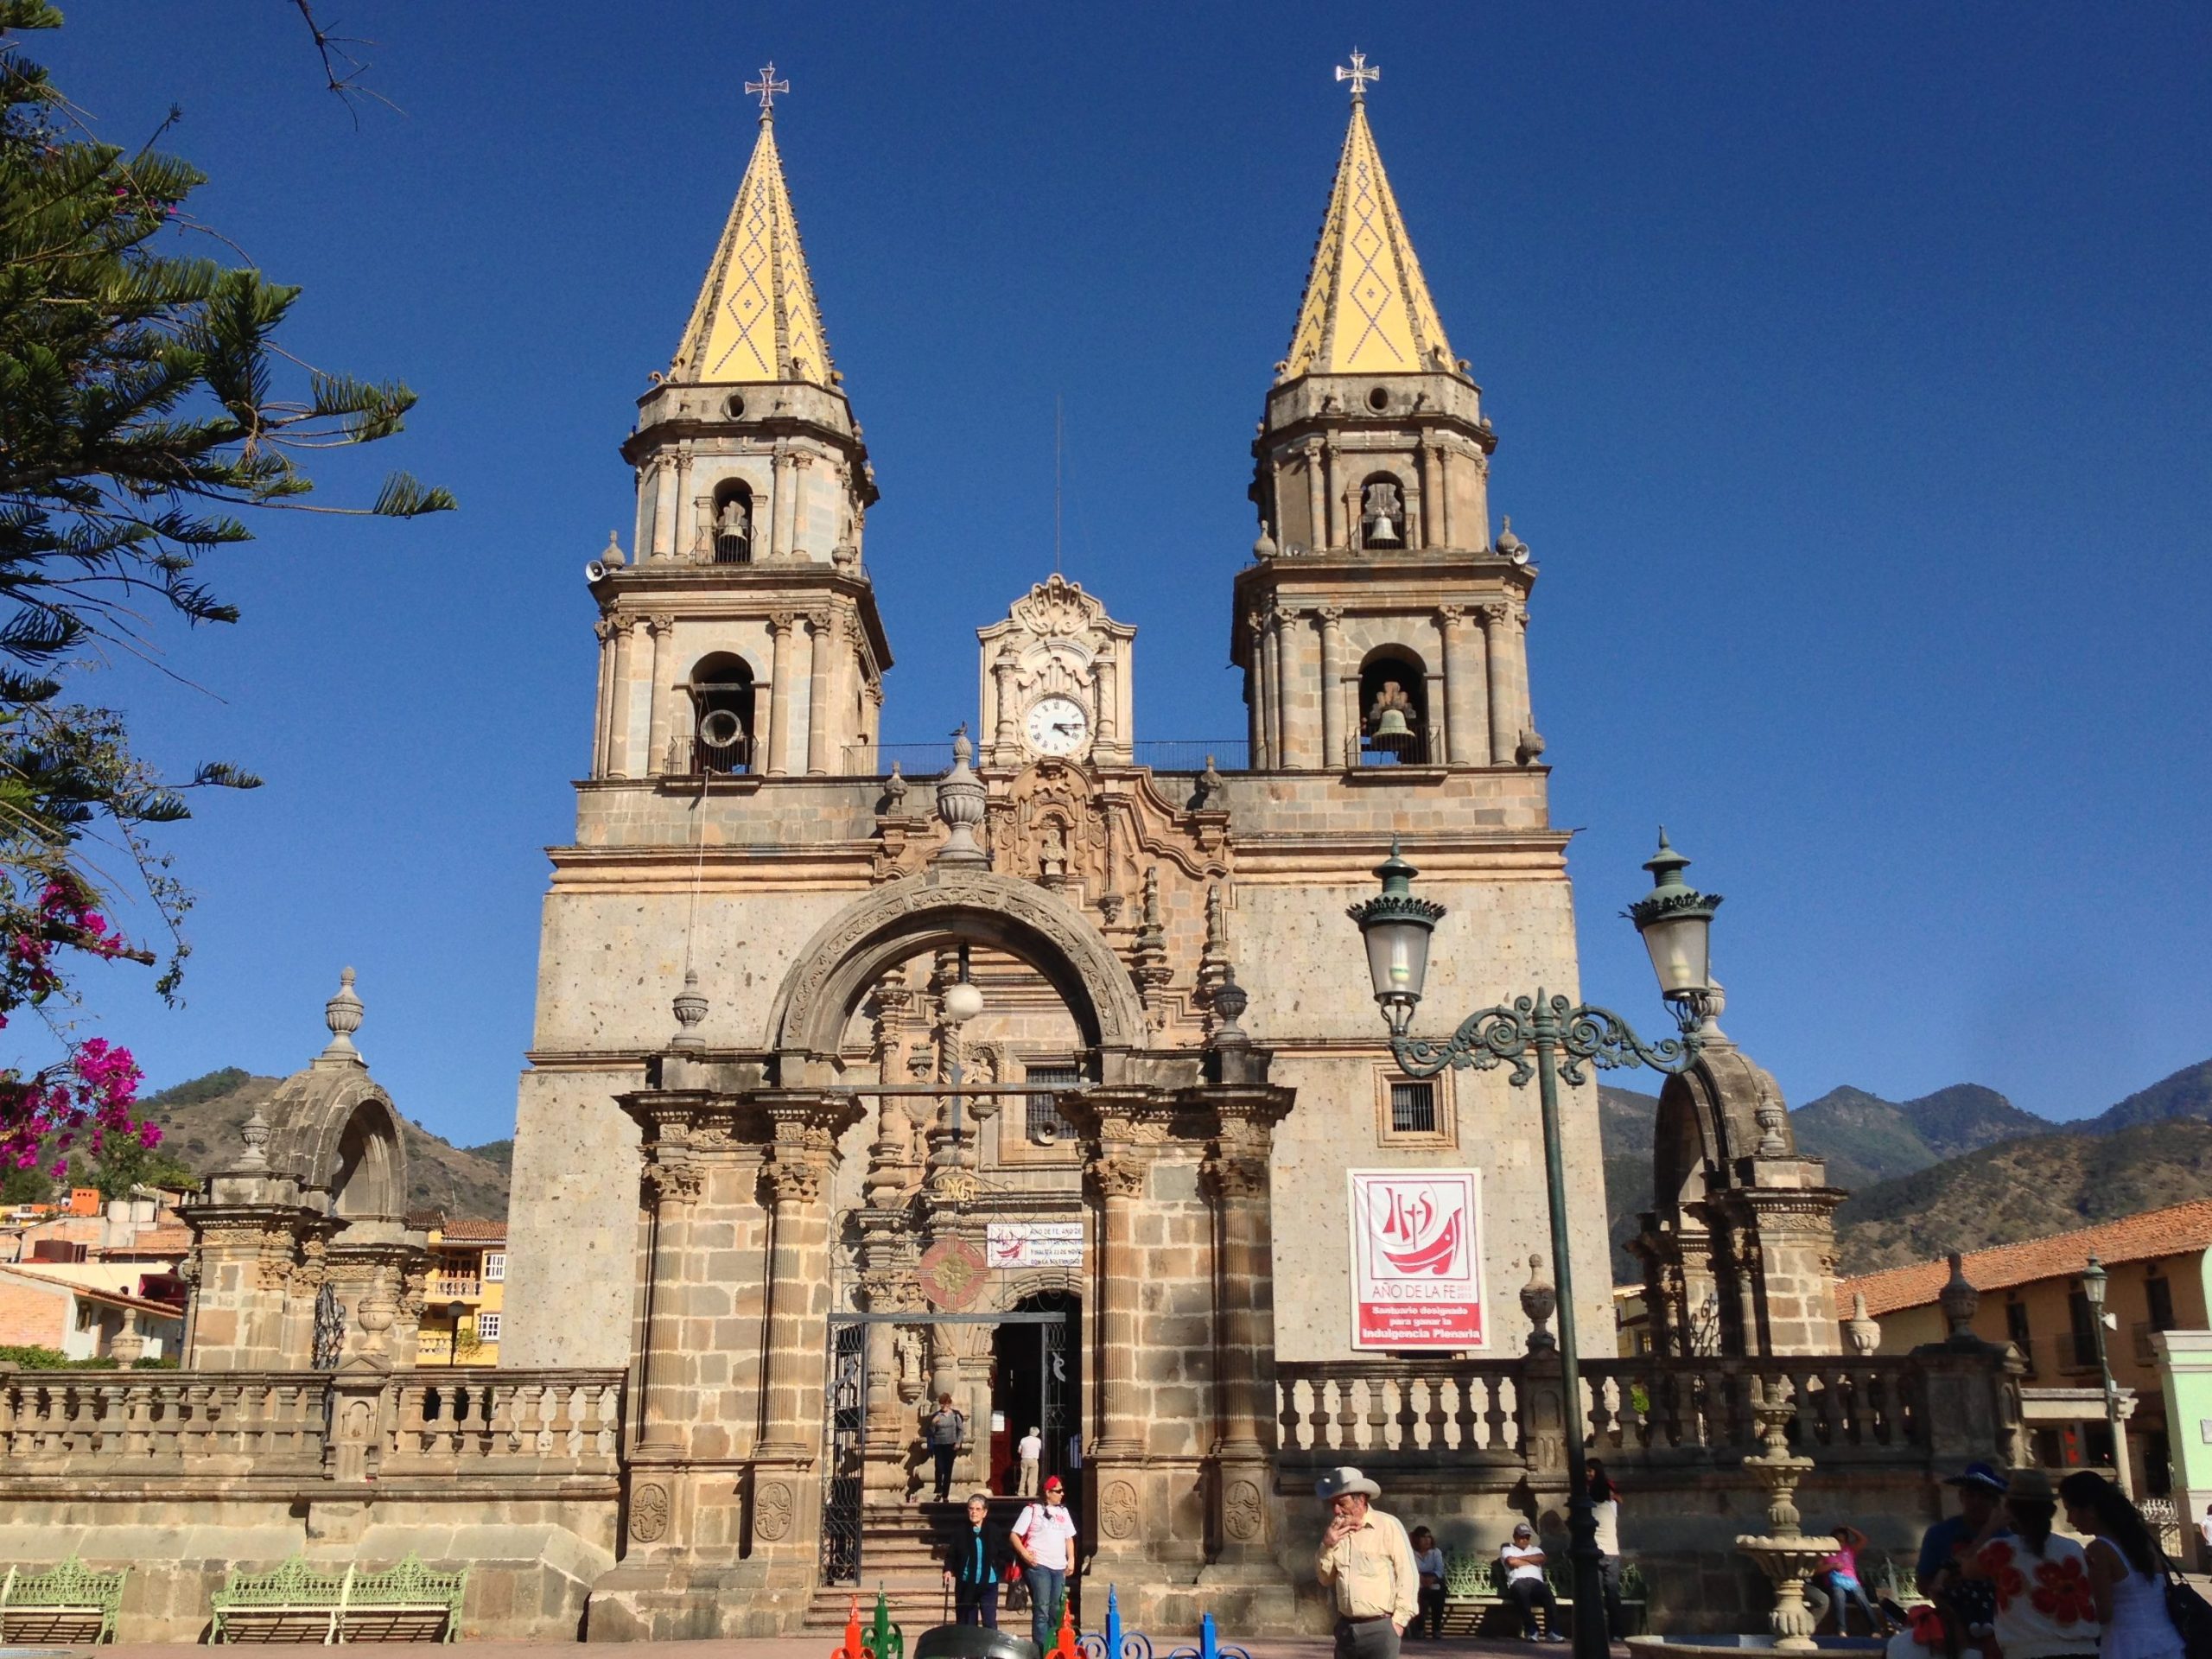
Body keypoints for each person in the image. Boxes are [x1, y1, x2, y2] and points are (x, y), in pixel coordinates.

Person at [1962, 1465, 2102, 1659]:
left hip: (2028, 1652)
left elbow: (1966, 1568)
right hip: (2084, 1650)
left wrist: (1989, 1529)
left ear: (2010, 1509)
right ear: (2051, 1511)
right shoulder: (2075, 1549)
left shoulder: (2000, 1550)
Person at [2058, 1471, 2185, 1659]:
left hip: (2127, 1646)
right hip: (2167, 1642)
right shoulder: (2143, 1542)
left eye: (2070, 1510)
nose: (2069, 1519)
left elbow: (2104, 1613)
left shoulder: (2099, 1550)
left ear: (2090, 1510)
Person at [1314, 1466, 1421, 1659]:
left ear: (1361, 1500)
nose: (1336, 1510)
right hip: (1346, 1629)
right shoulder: (1335, 1532)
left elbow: (1407, 1574)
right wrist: (1327, 1546)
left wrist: (1399, 1622)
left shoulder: (1388, 1526)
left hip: (1380, 1629)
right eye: (1333, 1504)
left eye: (1342, 1503)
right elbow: (1324, 1579)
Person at [1917, 1461, 2008, 1649]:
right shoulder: (1939, 1534)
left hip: (2003, 1622)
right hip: (1954, 1619)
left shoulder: (2008, 1538)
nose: (1976, 1501)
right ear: (1961, 1497)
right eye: (1971, 1494)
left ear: (1994, 1502)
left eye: (1984, 1496)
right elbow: (1923, 1584)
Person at [1011, 1473, 1078, 1651]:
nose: (1062, 1494)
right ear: (1047, 1492)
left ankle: (1053, 1646)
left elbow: (1069, 1538)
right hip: (1039, 1566)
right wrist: (1025, 1555)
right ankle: (1041, 1650)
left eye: (1062, 1490)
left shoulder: (1063, 1512)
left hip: (1058, 1567)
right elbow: (1014, 1535)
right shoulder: (1032, 1510)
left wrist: (1071, 1559)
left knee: (1056, 1610)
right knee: (1042, 1609)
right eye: (1058, 1491)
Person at [942, 1492, 1010, 1629]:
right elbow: (951, 1554)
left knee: (989, 1622)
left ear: (985, 1512)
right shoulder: (961, 1531)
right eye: (971, 1509)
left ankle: (988, 1649)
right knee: (966, 1623)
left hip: (988, 1584)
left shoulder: (993, 1530)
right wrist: (948, 1570)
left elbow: (1004, 1552)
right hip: (967, 1582)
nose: (974, 1512)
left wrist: (1008, 1565)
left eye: (978, 1509)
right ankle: (966, 1649)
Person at [1817, 1523, 1891, 1637]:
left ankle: (1875, 1629)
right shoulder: (1825, 1553)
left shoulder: (1850, 1550)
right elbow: (1816, 1570)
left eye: (1842, 1541)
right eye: (1837, 1540)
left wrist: (1848, 1528)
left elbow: (1863, 1540)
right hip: (1834, 1585)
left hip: (1852, 1583)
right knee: (1839, 1595)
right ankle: (1841, 1629)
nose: (1839, 1544)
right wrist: (1832, 1566)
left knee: (1861, 1596)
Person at [1500, 1522, 1564, 1643]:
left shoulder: (1536, 1549)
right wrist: (1531, 1561)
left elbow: (1541, 1558)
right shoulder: (1507, 1548)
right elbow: (1511, 1562)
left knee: (1549, 1597)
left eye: (1527, 1537)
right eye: (1521, 1537)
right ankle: (1532, 1630)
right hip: (1518, 1582)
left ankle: (1552, 1631)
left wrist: (1521, 1560)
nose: (1524, 1540)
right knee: (1521, 1594)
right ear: (1515, 1536)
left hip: (1536, 1583)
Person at [1587, 1459, 1628, 1640]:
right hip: (1612, 1551)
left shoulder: (1589, 1508)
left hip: (1596, 1552)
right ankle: (1617, 1632)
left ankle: (1597, 1631)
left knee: (1595, 1595)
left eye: (1589, 1471)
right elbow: (1618, 1498)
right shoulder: (1612, 1506)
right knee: (1612, 1594)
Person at [1408, 1526, 1446, 1641]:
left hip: (1433, 1580)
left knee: (1439, 1593)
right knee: (1417, 1597)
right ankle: (1420, 1629)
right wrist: (1420, 1578)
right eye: (1423, 1537)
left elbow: (1439, 1570)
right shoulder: (1411, 1553)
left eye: (1429, 1537)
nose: (1427, 1540)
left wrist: (1432, 1579)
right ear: (1416, 1539)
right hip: (1417, 1581)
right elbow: (1410, 1568)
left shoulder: (1436, 1552)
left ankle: (1436, 1629)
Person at [928, 1393, 965, 1504]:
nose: (944, 1406)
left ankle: (945, 1495)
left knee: (948, 1470)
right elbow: (931, 1432)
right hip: (939, 1445)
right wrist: (933, 1424)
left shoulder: (955, 1415)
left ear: (949, 1403)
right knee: (939, 1468)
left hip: (951, 1445)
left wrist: (958, 1442)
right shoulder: (937, 1416)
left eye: (946, 1404)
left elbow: (961, 1430)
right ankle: (939, 1490)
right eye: (942, 1404)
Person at [1017, 1425, 1043, 1498]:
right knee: (1032, 1478)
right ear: (1037, 1433)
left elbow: (1019, 1450)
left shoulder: (1023, 1439)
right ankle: (1031, 1494)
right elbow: (1041, 1449)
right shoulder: (1038, 1440)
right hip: (1033, 1460)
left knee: (1023, 1477)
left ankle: (1021, 1493)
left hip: (1024, 1459)